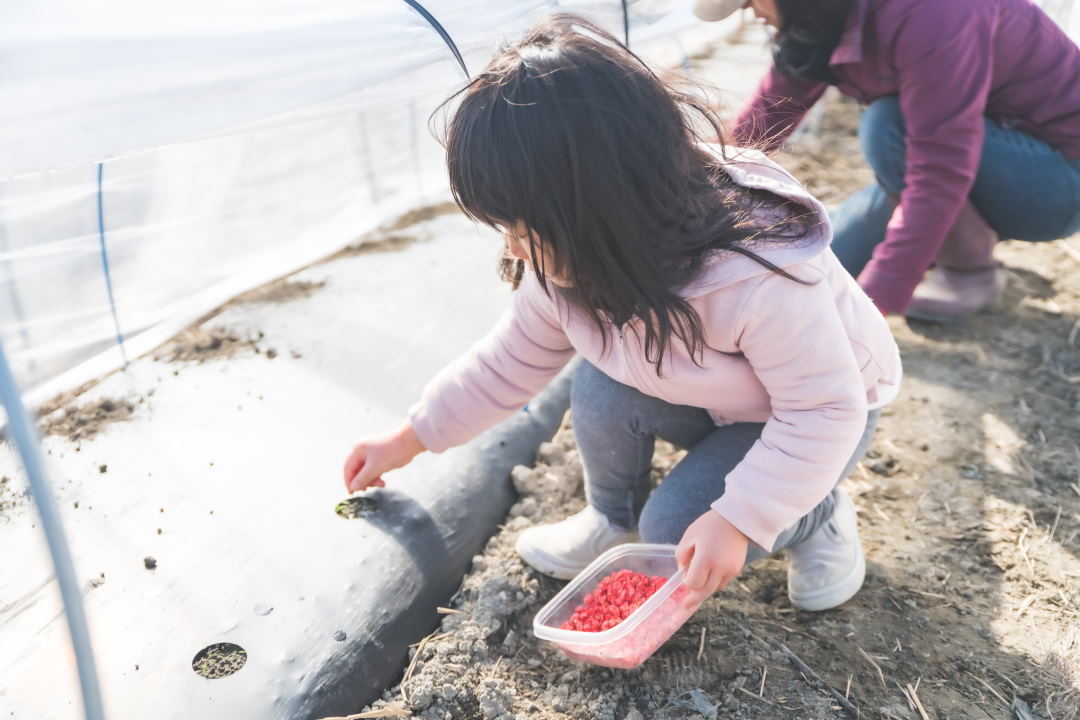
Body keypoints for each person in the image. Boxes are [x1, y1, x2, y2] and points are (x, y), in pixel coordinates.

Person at [342, 14, 901, 613]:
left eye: (524, 229)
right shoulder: (569, 265)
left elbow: (821, 408)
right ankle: (610, 518)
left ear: (598, 212)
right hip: (713, 393)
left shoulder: (757, 274)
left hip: (810, 413)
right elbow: (506, 363)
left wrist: (742, 519)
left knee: (676, 530)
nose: (513, 249)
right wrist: (412, 436)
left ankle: (816, 511)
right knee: (601, 383)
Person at [695, 0, 1080, 320]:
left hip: (1056, 182)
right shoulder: (825, 18)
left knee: (887, 125)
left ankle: (969, 269)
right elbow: (767, 116)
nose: (753, 15)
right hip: (976, 154)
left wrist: (877, 302)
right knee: (817, 266)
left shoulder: (933, 13)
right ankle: (942, 249)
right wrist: (693, 178)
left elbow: (940, 168)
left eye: (750, 1)